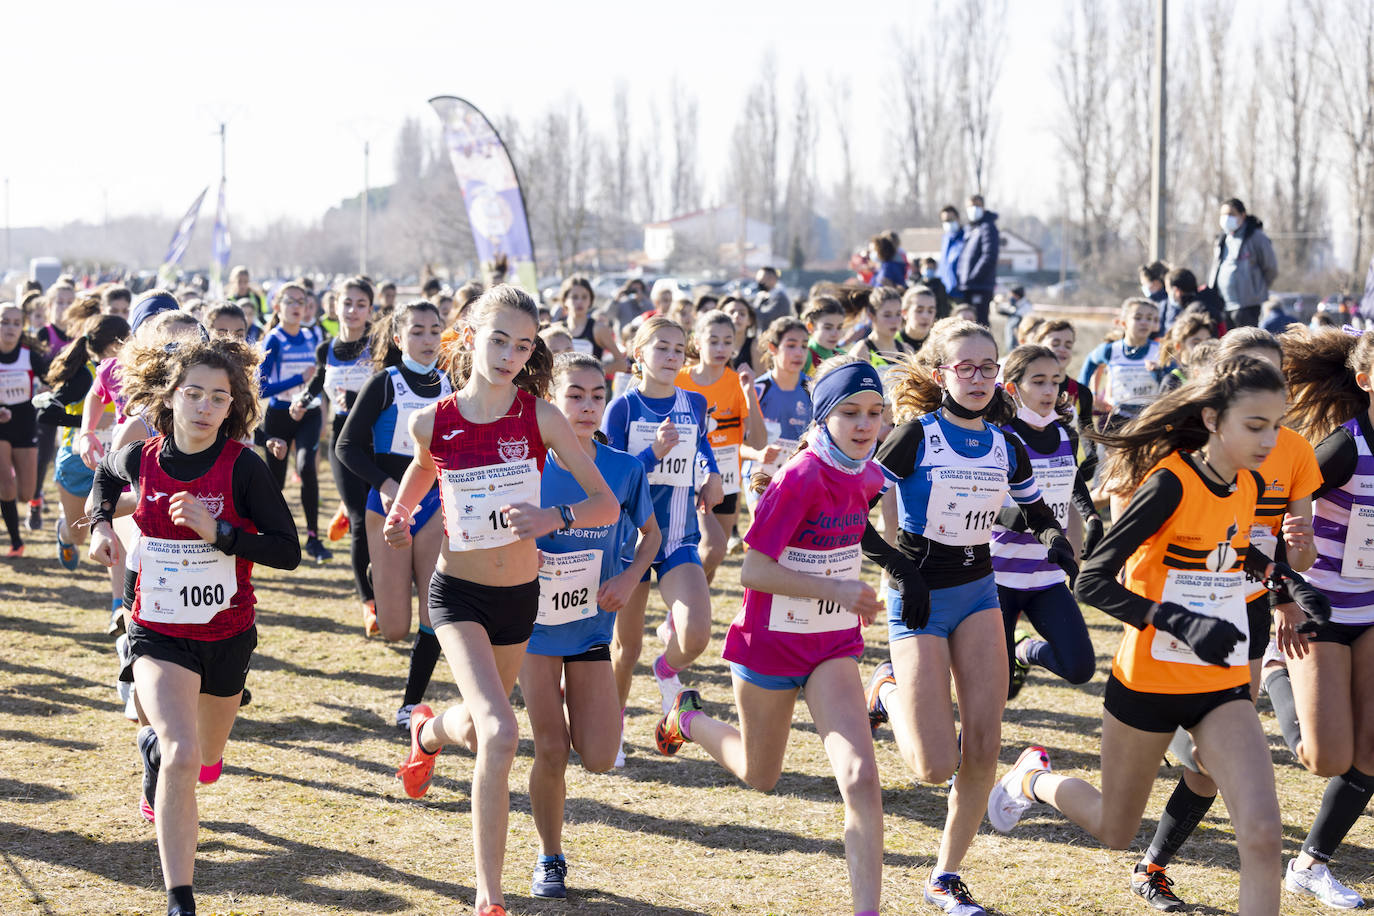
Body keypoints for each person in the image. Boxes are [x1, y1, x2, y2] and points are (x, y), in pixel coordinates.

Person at [988, 355, 1331, 916]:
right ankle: (1034, 780)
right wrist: (1177, 620)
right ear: (1213, 419)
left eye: (1276, 424)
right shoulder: (1170, 483)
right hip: (1149, 681)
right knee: (1113, 828)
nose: (1270, 440)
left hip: (1219, 684)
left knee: (1264, 836)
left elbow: (1234, 552)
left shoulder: (1245, 483)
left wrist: (1287, 583)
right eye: (1255, 425)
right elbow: (1094, 580)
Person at [387, 285, 617, 916]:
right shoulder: (432, 419)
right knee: (501, 727)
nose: (510, 355)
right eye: (498, 340)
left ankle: (430, 731)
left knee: (484, 726)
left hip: (520, 597)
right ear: (469, 337)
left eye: (522, 345)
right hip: (456, 593)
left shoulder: (539, 417)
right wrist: (403, 512)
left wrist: (552, 516)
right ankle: (490, 895)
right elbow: (426, 466)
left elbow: (605, 503)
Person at [655, 357, 888, 916]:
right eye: (851, 413)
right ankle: (685, 718)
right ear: (825, 416)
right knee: (761, 775)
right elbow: (754, 570)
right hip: (768, 645)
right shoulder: (802, 476)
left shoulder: (869, 473)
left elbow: (858, 536)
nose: (864, 425)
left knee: (860, 776)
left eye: (875, 414)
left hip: (832, 645)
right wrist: (837, 590)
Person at [862, 318, 1075, 916]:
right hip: (920, 593)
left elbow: (1023, 510)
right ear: (941, 375)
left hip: (979, 589)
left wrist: (1054, 537)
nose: (978, 378)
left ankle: (945, 877)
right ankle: (886, 688)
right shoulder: (914, 437)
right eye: (965, 368)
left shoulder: (1007, 442)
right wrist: (901, 572)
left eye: (988, 367)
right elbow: (852, 512)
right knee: (933, 765)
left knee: (983, 745)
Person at [87, 334, 301, 916]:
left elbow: (287, 550)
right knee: (184, 755)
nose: (205, 407)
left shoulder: (243, 468)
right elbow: (105, 476)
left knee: (205, 759)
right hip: (157, 629)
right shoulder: (144, 456)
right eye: (194, 394)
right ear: (171, 397)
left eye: (218, 398)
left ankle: (155, 743)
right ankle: (181, 897)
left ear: (232, 407)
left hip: (227, 635)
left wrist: (222, 534)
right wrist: (101, 524)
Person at [1130, 326, 1322, 911]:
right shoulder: (1180, 447)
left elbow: (1301, 554)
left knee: (1209, 767)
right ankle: (1038, 783)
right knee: (1178, 769)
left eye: (1274, 374)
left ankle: (1153, 866)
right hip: (1174, 616)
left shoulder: (1294, 450)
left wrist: (1299, 544)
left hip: (1242, 617)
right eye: (1249, 372)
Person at [521, 352, 660, 899]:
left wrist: (629, 579)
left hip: (589, 626)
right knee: (551, 748)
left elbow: (650, 536)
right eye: (574, 395)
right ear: (553, 399)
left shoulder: (625, 468)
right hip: (531, 630)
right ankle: (550, 857)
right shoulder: (530, 465)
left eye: (597, 396)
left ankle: (437, 728)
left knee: (600, 757)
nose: (586, 406)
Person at [1258, 326, 1374, 909]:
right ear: (1366, 382)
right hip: (1320, 604)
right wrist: (1283, 596)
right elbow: (1277, 512)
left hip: (1373, 609)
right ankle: (1275, 669)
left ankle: (1311, 864)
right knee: (1323, 756)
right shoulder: (1345, 448)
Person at [602, 317, 723, 760]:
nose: (672, 356)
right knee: (625, 647)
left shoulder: (693, 402)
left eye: (678, 349)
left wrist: (710, 475)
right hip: (630, 541)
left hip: (677, 536)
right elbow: (610, 474)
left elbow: (703, 448)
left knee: (696, 635)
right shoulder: (622, 408)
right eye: (662, 348)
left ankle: (666, 668)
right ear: (639, 356)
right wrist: (652, 453)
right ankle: (612, 728)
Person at [337, 300, 451, 725]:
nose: (427, 340)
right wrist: (387, 488)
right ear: (400, 339)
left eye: (434, 331)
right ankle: (380, 578)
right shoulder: (385, 383)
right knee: (394, 628)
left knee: (433, 613)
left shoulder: (451, 385)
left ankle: (409, 704)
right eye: (417, 331)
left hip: (435, 507)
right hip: (386, 506)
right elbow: (346, 447)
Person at [991, 345, 1101, 700]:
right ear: (1012, 388)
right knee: (998, 688)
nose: (1050, 390)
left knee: (1080, 668)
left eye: (1056, 381)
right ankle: (969, 752)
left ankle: (1026, 651)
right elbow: (980, 500)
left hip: (1046, 572)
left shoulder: (1065, 433)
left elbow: (1071, 478)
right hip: (998, 574)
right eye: (1038, 382)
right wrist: (1024, 520)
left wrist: (1091, 513)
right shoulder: (1002, 437)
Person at [300, 277, 375, 617]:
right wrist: (303, 400)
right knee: (361, 521)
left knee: (377, 516)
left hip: (377, 440)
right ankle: (369, 601)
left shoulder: (381, 344)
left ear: (370, 309)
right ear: (335, 306)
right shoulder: (325, 349)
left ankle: (346, 506)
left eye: (361, 304)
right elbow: (318, 381)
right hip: (341, 440)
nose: (353, 310)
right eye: (347, 303)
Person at [676, 310, 766, 582]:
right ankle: (674, 616)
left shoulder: (738, 384)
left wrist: (749, 391)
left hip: (727, 481)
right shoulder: (679, 380)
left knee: (714, 561)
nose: (720, 348)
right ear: (697, 342)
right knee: (712, 548)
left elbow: (759, 442)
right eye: (713, 341)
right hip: (688, 479)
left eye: (727, 342)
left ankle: (681, 618)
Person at [37, 313, 129, 572]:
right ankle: (64, 534)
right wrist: (88, 425)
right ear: (115, 345)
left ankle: (118, 606)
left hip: (114, 462)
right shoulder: (83, 375)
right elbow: (46, 412)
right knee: (78, 534)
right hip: (77, 460)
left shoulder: (132, 373)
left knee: (118, 529)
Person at [258, 281, 330, 563]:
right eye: (290, 301)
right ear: (277, 307)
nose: (297, 307)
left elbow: (321, 377)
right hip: (279, 414)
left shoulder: (313, 336)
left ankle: (313, 537)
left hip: (308, 413)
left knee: (306, 468)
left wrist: (314, 404)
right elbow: (261, 387)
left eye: (302, 301)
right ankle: (275, 536)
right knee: (275, 481)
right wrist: (296, 380)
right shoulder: (274, 339)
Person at [28, 279, 78, 531]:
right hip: (48, 405)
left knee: (74, 456)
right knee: (43, 456)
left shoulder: (80, 334)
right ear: (49, 306)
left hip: (76, 406)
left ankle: (72, 508)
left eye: (70, 302)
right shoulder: (43, 334)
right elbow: (35, 369)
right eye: (60, 302)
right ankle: (35, 500)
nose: (65, 307)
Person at [0, 301, 46, 556]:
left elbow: (50, 383)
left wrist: (45, 390)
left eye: (16, 323)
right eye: (4, 321)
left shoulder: (31, 357)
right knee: (6, 485)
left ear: (23, 327)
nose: (10, 327)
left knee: (24, 492)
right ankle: (16, 542)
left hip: (25, 424)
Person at [1078, 298, 1162, 430]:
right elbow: (1090, 361)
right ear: (1124, 323)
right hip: (1119, 417)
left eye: (1149, 318)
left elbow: (1174, 378)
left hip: (1150, 418)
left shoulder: (1160, 350)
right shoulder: (1110, 350)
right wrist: (1088, 394)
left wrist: (1159, 372)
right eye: (1138, 317)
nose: (1144, 322)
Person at [1209, 198, 1278, 329]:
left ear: (1242, 215)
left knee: (1246, 345)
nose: (1226, 218)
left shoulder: (1256, 237)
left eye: (1231, 214)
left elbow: (1271, 268)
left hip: (1247, 306)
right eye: (1223, 214)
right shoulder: (1222, 239)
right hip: (1224, 304)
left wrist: (1256, 290)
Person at [557, 275, 625, 374]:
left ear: (590, 301)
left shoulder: (598, 328)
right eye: (574, 297)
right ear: (564, 300)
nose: (580, 302)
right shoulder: (557, 329)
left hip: (590, 388)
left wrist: (590, 371)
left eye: (584, 297)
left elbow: (621, 364)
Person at [850, 287, 916, 382]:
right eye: (887, 315)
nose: (894, 321)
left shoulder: (907, 350)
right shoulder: (861, 352)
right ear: (872, 316)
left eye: (898, 314)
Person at [957, 196, 1000, 326]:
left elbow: (989, 256)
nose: (973, 209)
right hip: (968, 286)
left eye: (977, 205)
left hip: (980, 286)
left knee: (980, 324)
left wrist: (973, 277)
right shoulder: (971, 228)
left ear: (983, 207)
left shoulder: (987, 227)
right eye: (970, 206)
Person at [1156, 310, 1219, 393]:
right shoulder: (1172, 381)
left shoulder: (1215, 374)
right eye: (1196, 343)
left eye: (1207, 341)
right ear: (1178, 346)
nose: (1204, 347)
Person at [802, 295, 848, 373]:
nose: (835, 334)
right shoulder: (804, 355)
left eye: (839, 327)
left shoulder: (843, 356)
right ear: (810, 327)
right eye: (828, 328)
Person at [897, 285, 939, 352]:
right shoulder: (892, 342)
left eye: (930, 311)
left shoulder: (939, 344)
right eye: (919, 311)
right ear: (904, 313)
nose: (925, 316)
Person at [938, 206, 966, 304]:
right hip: (945, 291)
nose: (948, 223)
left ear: (958, 218)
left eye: (951, 219)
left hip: (961, 292)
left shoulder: (966, 237)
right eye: (945, 221)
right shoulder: (946, 238)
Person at [997, 285, 1031, 353]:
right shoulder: (1015, 304)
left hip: (1021, 336)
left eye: (1012, 295)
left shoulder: (1027, 306)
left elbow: (1017, 314)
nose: (1011, 297)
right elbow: (1002, 309)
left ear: (1017, 295)